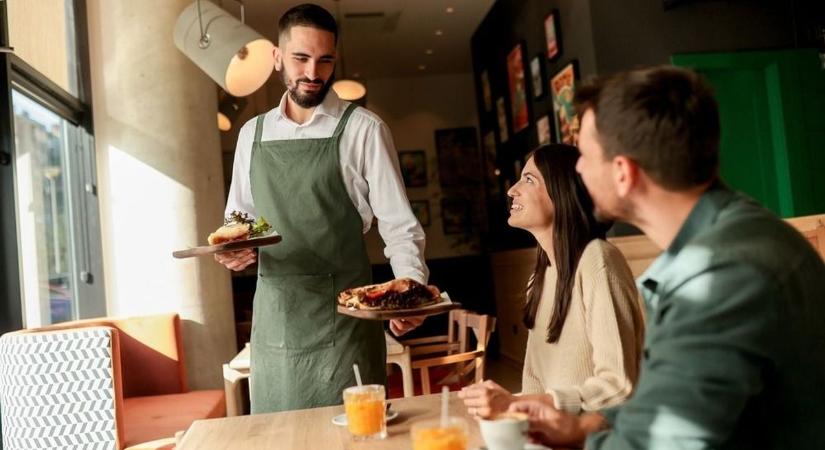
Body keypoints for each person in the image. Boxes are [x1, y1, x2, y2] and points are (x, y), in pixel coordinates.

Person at [509, 66, 825, 449]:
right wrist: (584, 426)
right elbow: (671, 403)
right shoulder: (727, 236)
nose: (576, 168)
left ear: (623, 173)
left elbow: (668, 443)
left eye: (586, 156)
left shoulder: (722, 275)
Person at [215, 4, 428, 414]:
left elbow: (400, 226)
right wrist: (235, 252)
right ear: (277, 57)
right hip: (277, 322)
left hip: (347, 322)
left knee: (356, 435)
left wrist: (411, 290)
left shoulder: (364, 129)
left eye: (325, 59)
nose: (313, 72)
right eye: (300, 58)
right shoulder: (251, 135)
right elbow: (238, 225)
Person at [459, 144, 644, 418]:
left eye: (529, 179)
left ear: (562, 193)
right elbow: (535, 383)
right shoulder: (540, 277)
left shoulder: (598, 260)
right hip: (554, 436)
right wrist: (518, 415)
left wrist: (525, 405)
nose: (512, 190)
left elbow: (619, 387)